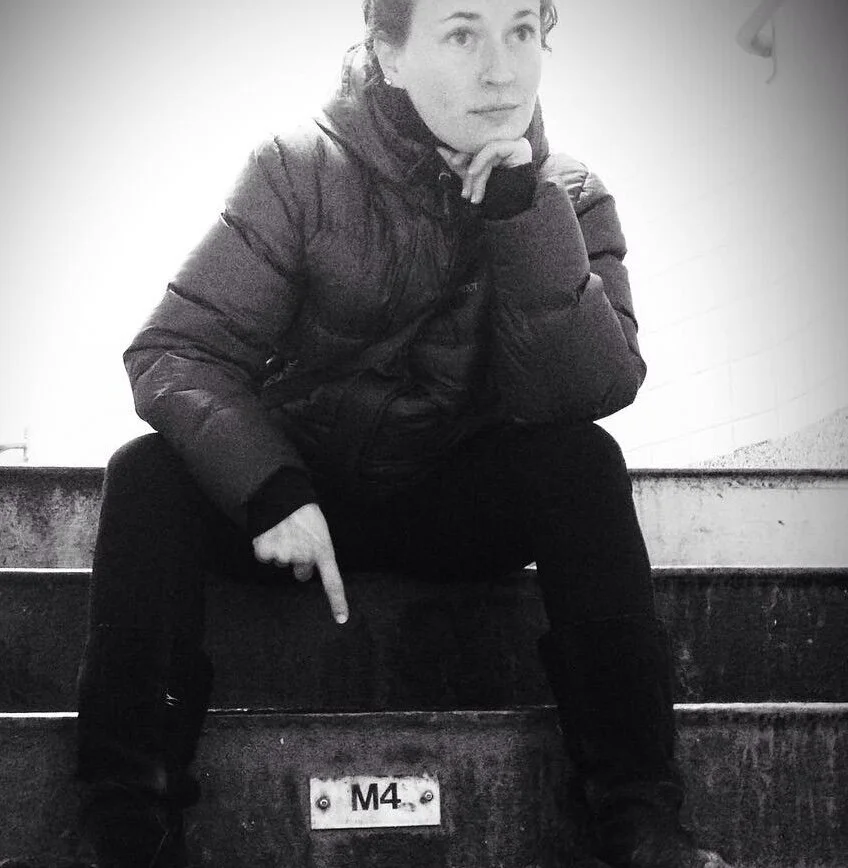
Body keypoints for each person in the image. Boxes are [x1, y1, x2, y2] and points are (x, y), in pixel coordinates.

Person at [75, 0, 734, 866]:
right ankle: (129, 831)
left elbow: (588, 390)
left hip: (450, 506)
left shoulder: (569, 195)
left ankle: (641, 821)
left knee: (583, 462)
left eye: (521, 31)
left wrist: (522, 216)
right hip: (303, 505)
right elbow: (175, 350)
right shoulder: (299, 170)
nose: (500, 68)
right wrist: (269, 487)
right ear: (389, 55)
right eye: (462, 33)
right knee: (145, 474)